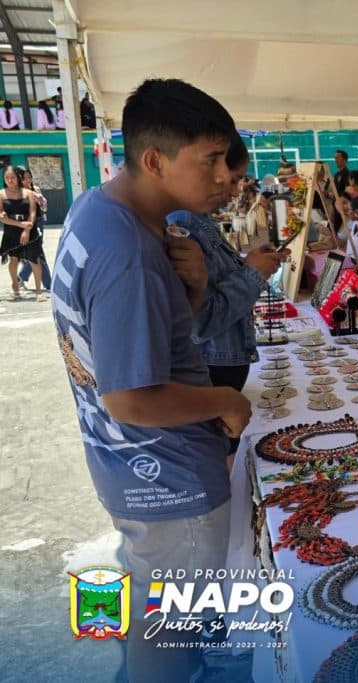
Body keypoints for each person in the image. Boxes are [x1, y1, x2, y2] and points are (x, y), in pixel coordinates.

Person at [50, 78, 252, 683]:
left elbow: (134, 342)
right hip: (165, 474)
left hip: (129, 464)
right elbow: (132, 397)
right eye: (210, 160)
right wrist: (226, 398)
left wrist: (189, 294)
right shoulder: (128, 250)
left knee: (155, 610)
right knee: (170, 626)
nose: (224, 176)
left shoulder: (94, 209)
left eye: (226, 158)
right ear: (155, 160)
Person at [166, 133, 287, 464]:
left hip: (222, 365)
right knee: (224, 464)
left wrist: (248, 262)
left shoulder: (197, 219)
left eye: (237, 180)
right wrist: (253, 273)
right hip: (212, 367)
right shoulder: (183, 222)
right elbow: (201, 320)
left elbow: (213, 284)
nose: (233, 189)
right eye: (231, 180)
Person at [1, 166, 44, 300]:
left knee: (34, 260)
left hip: (30, 229)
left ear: (18, 178)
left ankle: (39, 292)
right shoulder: (1, 194)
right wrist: (19, 224)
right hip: (11, 229)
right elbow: (2, 217)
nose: (10, 180)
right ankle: (15, 285)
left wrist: (26, 229)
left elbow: (32, 212)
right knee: (14, 260)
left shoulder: (28, 193)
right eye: (7, 178)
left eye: (12, 177)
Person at [18, 168, 52, 292]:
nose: (27, 180)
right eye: (24, 178)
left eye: (29, 177)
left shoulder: (36, 189)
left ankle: (20, 278)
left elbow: (44, 208)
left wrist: (42, 202)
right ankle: (49, 284)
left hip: (39, 222)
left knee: (36, 252)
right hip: (27, 224)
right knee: (38, 253)